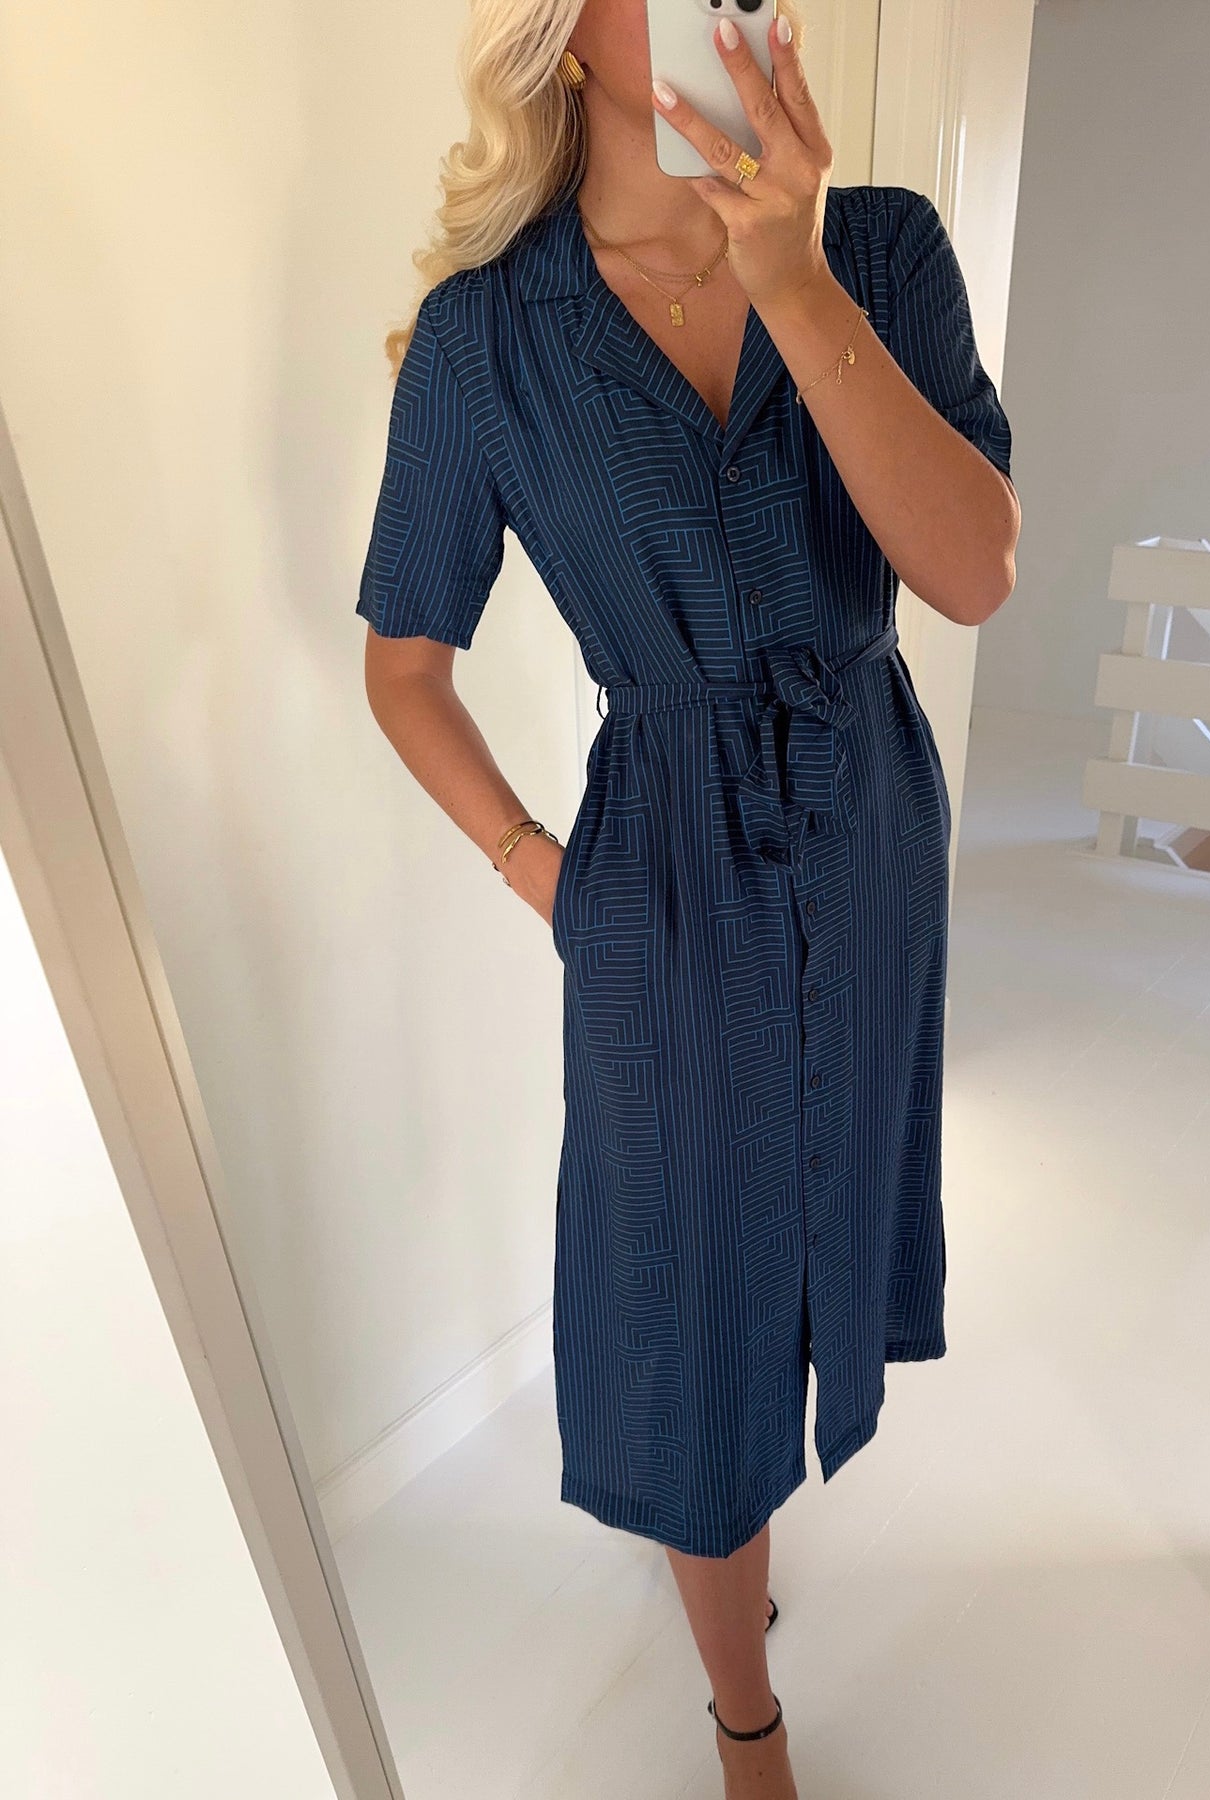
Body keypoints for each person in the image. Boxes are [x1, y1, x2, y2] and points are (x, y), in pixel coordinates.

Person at [357, 1, 1020, 1791]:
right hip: (657, 869)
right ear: (561, 29)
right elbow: (404, 667)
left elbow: (971, 573)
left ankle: (751, 1535)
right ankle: (746, 1709)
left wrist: (791, 277)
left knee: (818, 1204)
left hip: (867, 831)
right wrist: (547, 876)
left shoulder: (883, 248)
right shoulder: (490, 339)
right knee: (679, 1284)